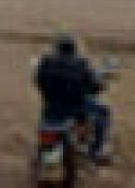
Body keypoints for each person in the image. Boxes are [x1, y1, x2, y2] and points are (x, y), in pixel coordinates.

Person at [34, 32, 111, 163]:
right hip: (76, 107)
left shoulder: (46, 62)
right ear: (74, 48)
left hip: (51, 107)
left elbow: (37, 81)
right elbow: (94, 85)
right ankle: (96, 150)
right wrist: (99, 86)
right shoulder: (81, 63)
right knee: (103, 112)